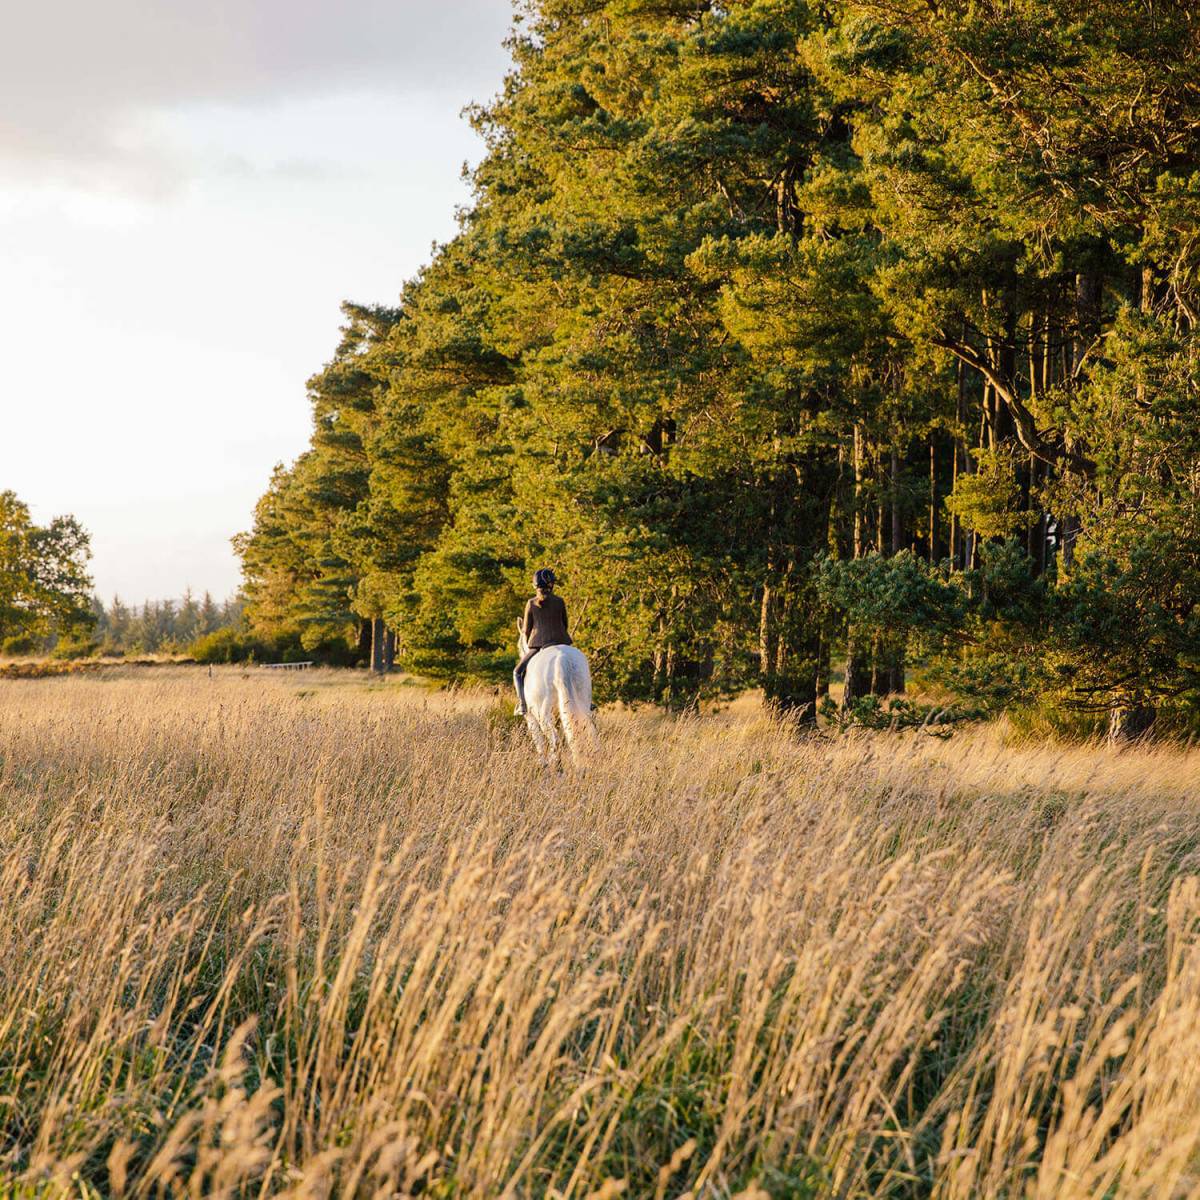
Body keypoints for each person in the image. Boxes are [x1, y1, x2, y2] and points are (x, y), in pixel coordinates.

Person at [514, 567, 572, 715]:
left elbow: (526, 630)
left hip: (539, 645)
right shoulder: (560, 601)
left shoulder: (531, 603)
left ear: (535, 585)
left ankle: (522, 704)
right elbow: (565, 624)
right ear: (551, 585)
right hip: (561, 642)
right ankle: (588, 701)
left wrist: (528, 642)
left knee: (517, 672)